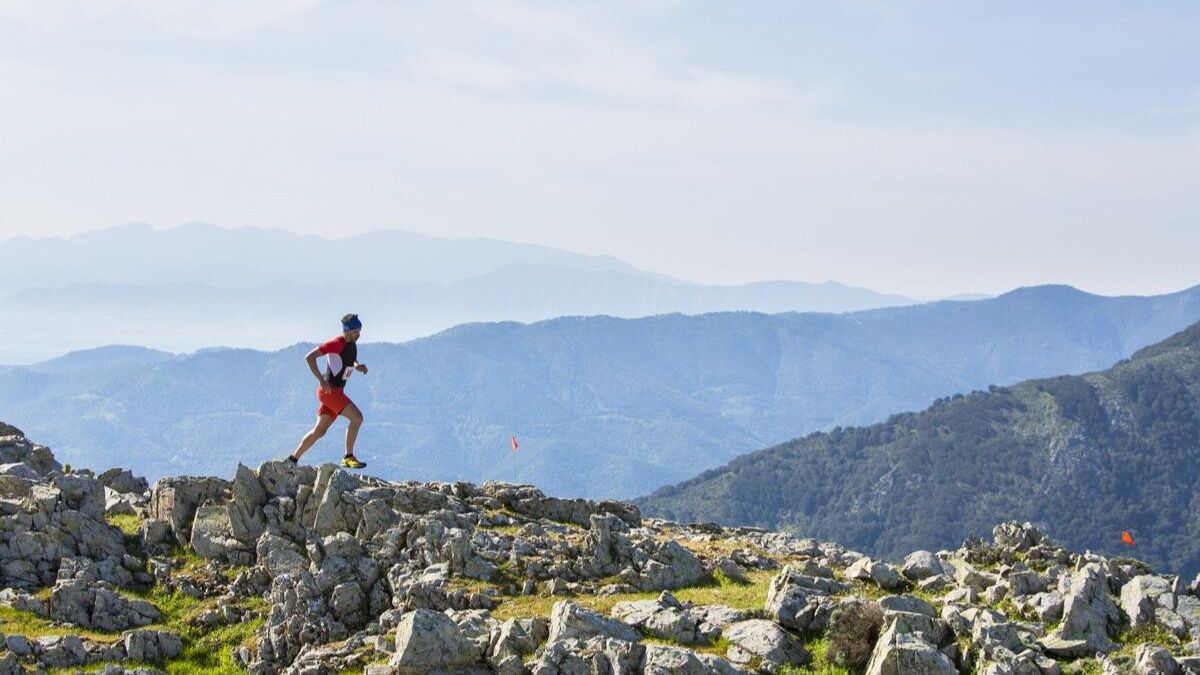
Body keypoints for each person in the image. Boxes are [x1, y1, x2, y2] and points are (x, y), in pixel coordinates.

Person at [287, 314, 368, 468]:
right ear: (348, 330)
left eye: (360, 330)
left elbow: (351, 359)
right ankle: (348, 457)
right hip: (330, 392)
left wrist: (358, 366)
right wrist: (321, 380)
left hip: (336, 393)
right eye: (357, 331)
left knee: (319, 431)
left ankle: (292, 460)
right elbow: (309, 357)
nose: (359, 334)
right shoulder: (336, 343)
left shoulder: (352, 345)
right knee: (357, 418)